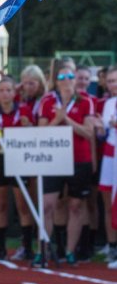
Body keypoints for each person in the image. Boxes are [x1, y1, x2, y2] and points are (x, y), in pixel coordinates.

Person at [35, 65, 96, 266]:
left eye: (71, 75)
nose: (67, 79)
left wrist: (66, 119)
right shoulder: (48, 101)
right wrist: (57, 119)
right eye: (62, 75)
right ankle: (42, 249)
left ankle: (70, 251)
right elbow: (41, 132)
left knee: (76, 206)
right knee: (47, 206)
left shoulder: (85, 101)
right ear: (56, 79)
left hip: (79, 159)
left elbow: (88, 133)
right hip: (52, 158)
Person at [0, 77, 35, 261]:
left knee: (22, 205)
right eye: (2, 90)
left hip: (19, 159)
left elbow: (33, 135)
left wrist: (28, 126)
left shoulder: (24, 110)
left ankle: (27, 247)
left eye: (9, 90)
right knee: (1, 204)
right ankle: (1, 247)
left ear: (14, 93)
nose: (5, 93)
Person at [96, 65, 117, 264]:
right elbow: (104, 131)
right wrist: (99, 128)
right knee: (108, 201)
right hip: (110, 154)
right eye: (110, 81)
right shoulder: (109, 102)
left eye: (116, 81)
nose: (113, 85)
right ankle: (112, 246)